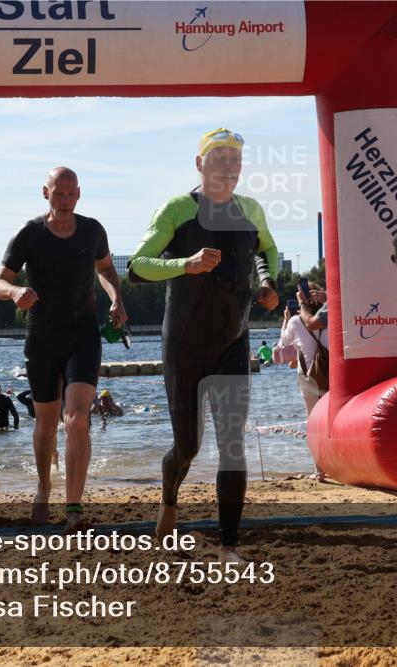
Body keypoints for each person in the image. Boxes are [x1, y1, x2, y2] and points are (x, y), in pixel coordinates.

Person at [129, 127, 279, 563]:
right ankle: (170, 499)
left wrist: (269, 284)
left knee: (232, 442)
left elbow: (266, 249)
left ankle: (229, 544)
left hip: (233, 342)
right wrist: (186, 264)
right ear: (200, 165)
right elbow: (138, 267)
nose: (228, 168)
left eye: (235, 160)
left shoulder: (250, 209)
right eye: (219, 159)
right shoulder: (178, 209)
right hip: (184, 347)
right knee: (188, 447)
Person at [0, 166, 128, 527]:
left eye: (71, 194)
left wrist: (115, 298)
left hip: (83, 336)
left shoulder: (93, 230)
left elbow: (107, 269)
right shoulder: (29, 233)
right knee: (46, 424)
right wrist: (15, 291)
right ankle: (42, 488)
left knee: (78, 419)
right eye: (58, 193)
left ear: (79, 195)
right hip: (43, 338)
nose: (65, 200)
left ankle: (74, 509)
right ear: (45, 193)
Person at [278, 282, 328, 480]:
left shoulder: (296, 322)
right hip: (330, 374)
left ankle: (319, 470)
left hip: (307, 377)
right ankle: (335, 464)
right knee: (328, 421)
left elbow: (283, 343)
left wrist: (286, 319)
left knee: (313, 423)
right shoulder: (329, 316)